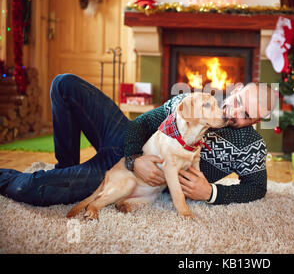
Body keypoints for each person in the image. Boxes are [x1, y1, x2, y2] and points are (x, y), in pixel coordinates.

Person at [0, 74, 278, 207]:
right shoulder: (193, 101)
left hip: (134, 179)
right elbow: (142, 123)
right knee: (63, 84)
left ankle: (58, 178)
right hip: (127, 141)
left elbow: (256, 188)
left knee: (33, 188)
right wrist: (135, 159)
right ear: (236, 89)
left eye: (247, 115)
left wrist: (211, 193)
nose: (234, 111)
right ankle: (66, 165)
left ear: (256, 122)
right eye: (238, 101)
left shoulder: (250, 147)